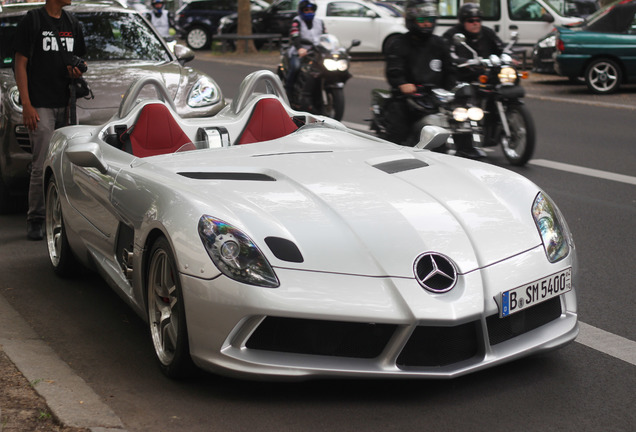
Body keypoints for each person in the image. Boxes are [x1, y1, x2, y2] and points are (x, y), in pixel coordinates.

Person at [14, 0, 86, 241]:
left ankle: (64, 217)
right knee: (41, 162)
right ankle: (35, 218)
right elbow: (20, 63)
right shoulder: (33, 20)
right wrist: (27, 104)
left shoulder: (72, 23)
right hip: (40, 103)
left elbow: (79, 59)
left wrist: (76, 70)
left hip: (66, 103)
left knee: (67, 164)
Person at [384, 0, 455, 147]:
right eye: (422, 20)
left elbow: (450, 70)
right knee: (398, 136)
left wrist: (454, 88)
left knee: (461, 125)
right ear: (411, 20)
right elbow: (394, 69)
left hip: (435, 98)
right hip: (408, 99)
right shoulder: (400, 43)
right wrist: (402, 84)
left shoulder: (440, 43)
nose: (427, 24)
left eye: (430, 20)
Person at [442, 3, 503, 82]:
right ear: (463, 22)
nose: (475, 23)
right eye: (471, 20)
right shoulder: (452, 34)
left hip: (487, 73)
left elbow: (501, 47)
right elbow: (448, 54)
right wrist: (465, 62)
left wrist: (510, 56)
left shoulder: (487, 32)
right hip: (464, 75)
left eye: (478, 20)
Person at [284, 0, 326, 105]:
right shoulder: (296, 21)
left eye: (311, 9)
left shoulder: (319, 22)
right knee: (296, 67)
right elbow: (295, 36)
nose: (309, 12)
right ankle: (287, 92)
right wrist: (300, 48)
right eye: (306, 10)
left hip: (316, 52)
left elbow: (325, 37)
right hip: (299, 52)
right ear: (302, 11)